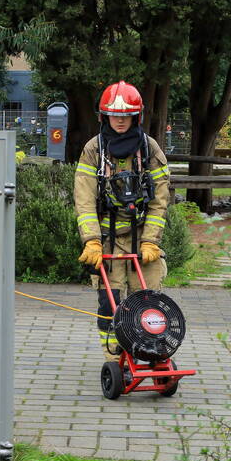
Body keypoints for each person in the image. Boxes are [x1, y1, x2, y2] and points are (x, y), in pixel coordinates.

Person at [74, 80, 171, 362]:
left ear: (135, 116)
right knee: (111, 303)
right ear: (105, 116)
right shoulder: (94, 150)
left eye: (125, 115)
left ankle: (151, 351)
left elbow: (159, 200)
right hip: (107, 243)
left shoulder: (150, 150)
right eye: (114, 115)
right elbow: (85, 200)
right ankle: (114, 360)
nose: (119, 120)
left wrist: (152, 241)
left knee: (148, 301)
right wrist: (91, 240)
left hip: (143, 241)